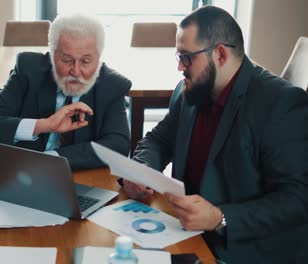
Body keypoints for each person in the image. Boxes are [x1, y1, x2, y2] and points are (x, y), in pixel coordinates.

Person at [122, 6, 308, 263]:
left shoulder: (280, 103)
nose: (179, 67)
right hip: (185, 233)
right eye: (178, 56)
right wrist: (142, 171)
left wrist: (220, 217)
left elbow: (297, 199)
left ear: (220, 54)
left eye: (186, 57)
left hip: (241, 248)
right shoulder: (189, 90)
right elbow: (159, 139)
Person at [0, 14, 131, 170]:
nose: (75, 71)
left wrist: (53, 159)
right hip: (23, 175)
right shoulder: (28, 70)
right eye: (67, 60)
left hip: (80, 177)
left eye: (85, 61)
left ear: (99, 58)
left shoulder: (113, 85)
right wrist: (43, 125)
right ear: (52, 55)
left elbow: (118, 145)